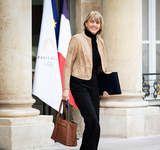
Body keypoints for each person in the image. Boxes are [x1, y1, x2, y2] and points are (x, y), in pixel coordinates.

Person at [62, 11, 109, 150]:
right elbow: (68, 65)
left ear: (100, 26)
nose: (94, 24)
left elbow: (101, 68)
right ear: (86, 23)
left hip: (94, 84)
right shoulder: (77, 39)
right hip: (79, 84)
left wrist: (105, 87)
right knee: (92, 120)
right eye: (92, 21)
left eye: (97, 22)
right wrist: (65, 89)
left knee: (95, 124)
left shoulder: (101, 42)